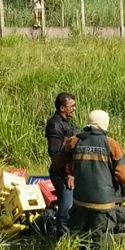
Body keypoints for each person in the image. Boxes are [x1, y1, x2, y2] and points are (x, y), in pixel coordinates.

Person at [51, 110, 125, 250]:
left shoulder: (74, 141)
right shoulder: (111, 144)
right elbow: (122, 173)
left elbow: (57, 163)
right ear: (104, 124)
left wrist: (67, 175)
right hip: (104, 203)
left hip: (80, 200)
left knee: (79, 237)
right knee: (100, 240)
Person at [46, 92, 77, 239]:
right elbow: (55, 154)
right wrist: (67, 175)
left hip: (69, 173)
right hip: (61, 174)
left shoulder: (66, 122)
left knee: (70, 206)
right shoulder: (55, 124)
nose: (74, 109)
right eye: (71, 106)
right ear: (62, 108)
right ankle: (62, 240)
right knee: (66, 208)